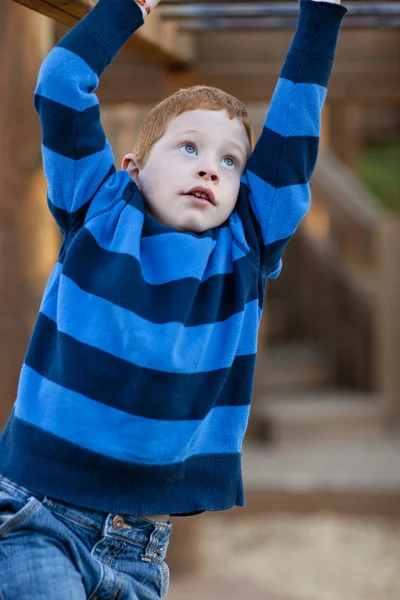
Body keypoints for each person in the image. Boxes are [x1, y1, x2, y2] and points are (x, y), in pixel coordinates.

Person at [0, 0, 347, 597]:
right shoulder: (97, 210)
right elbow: (61, 83)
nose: (210, 168)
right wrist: (127, 8)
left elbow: (292, 138)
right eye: (188, 147)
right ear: (133, 168)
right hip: (38, 515)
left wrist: (324, 13)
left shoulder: (243, 250)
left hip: (139, 547)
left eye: (230, 160)